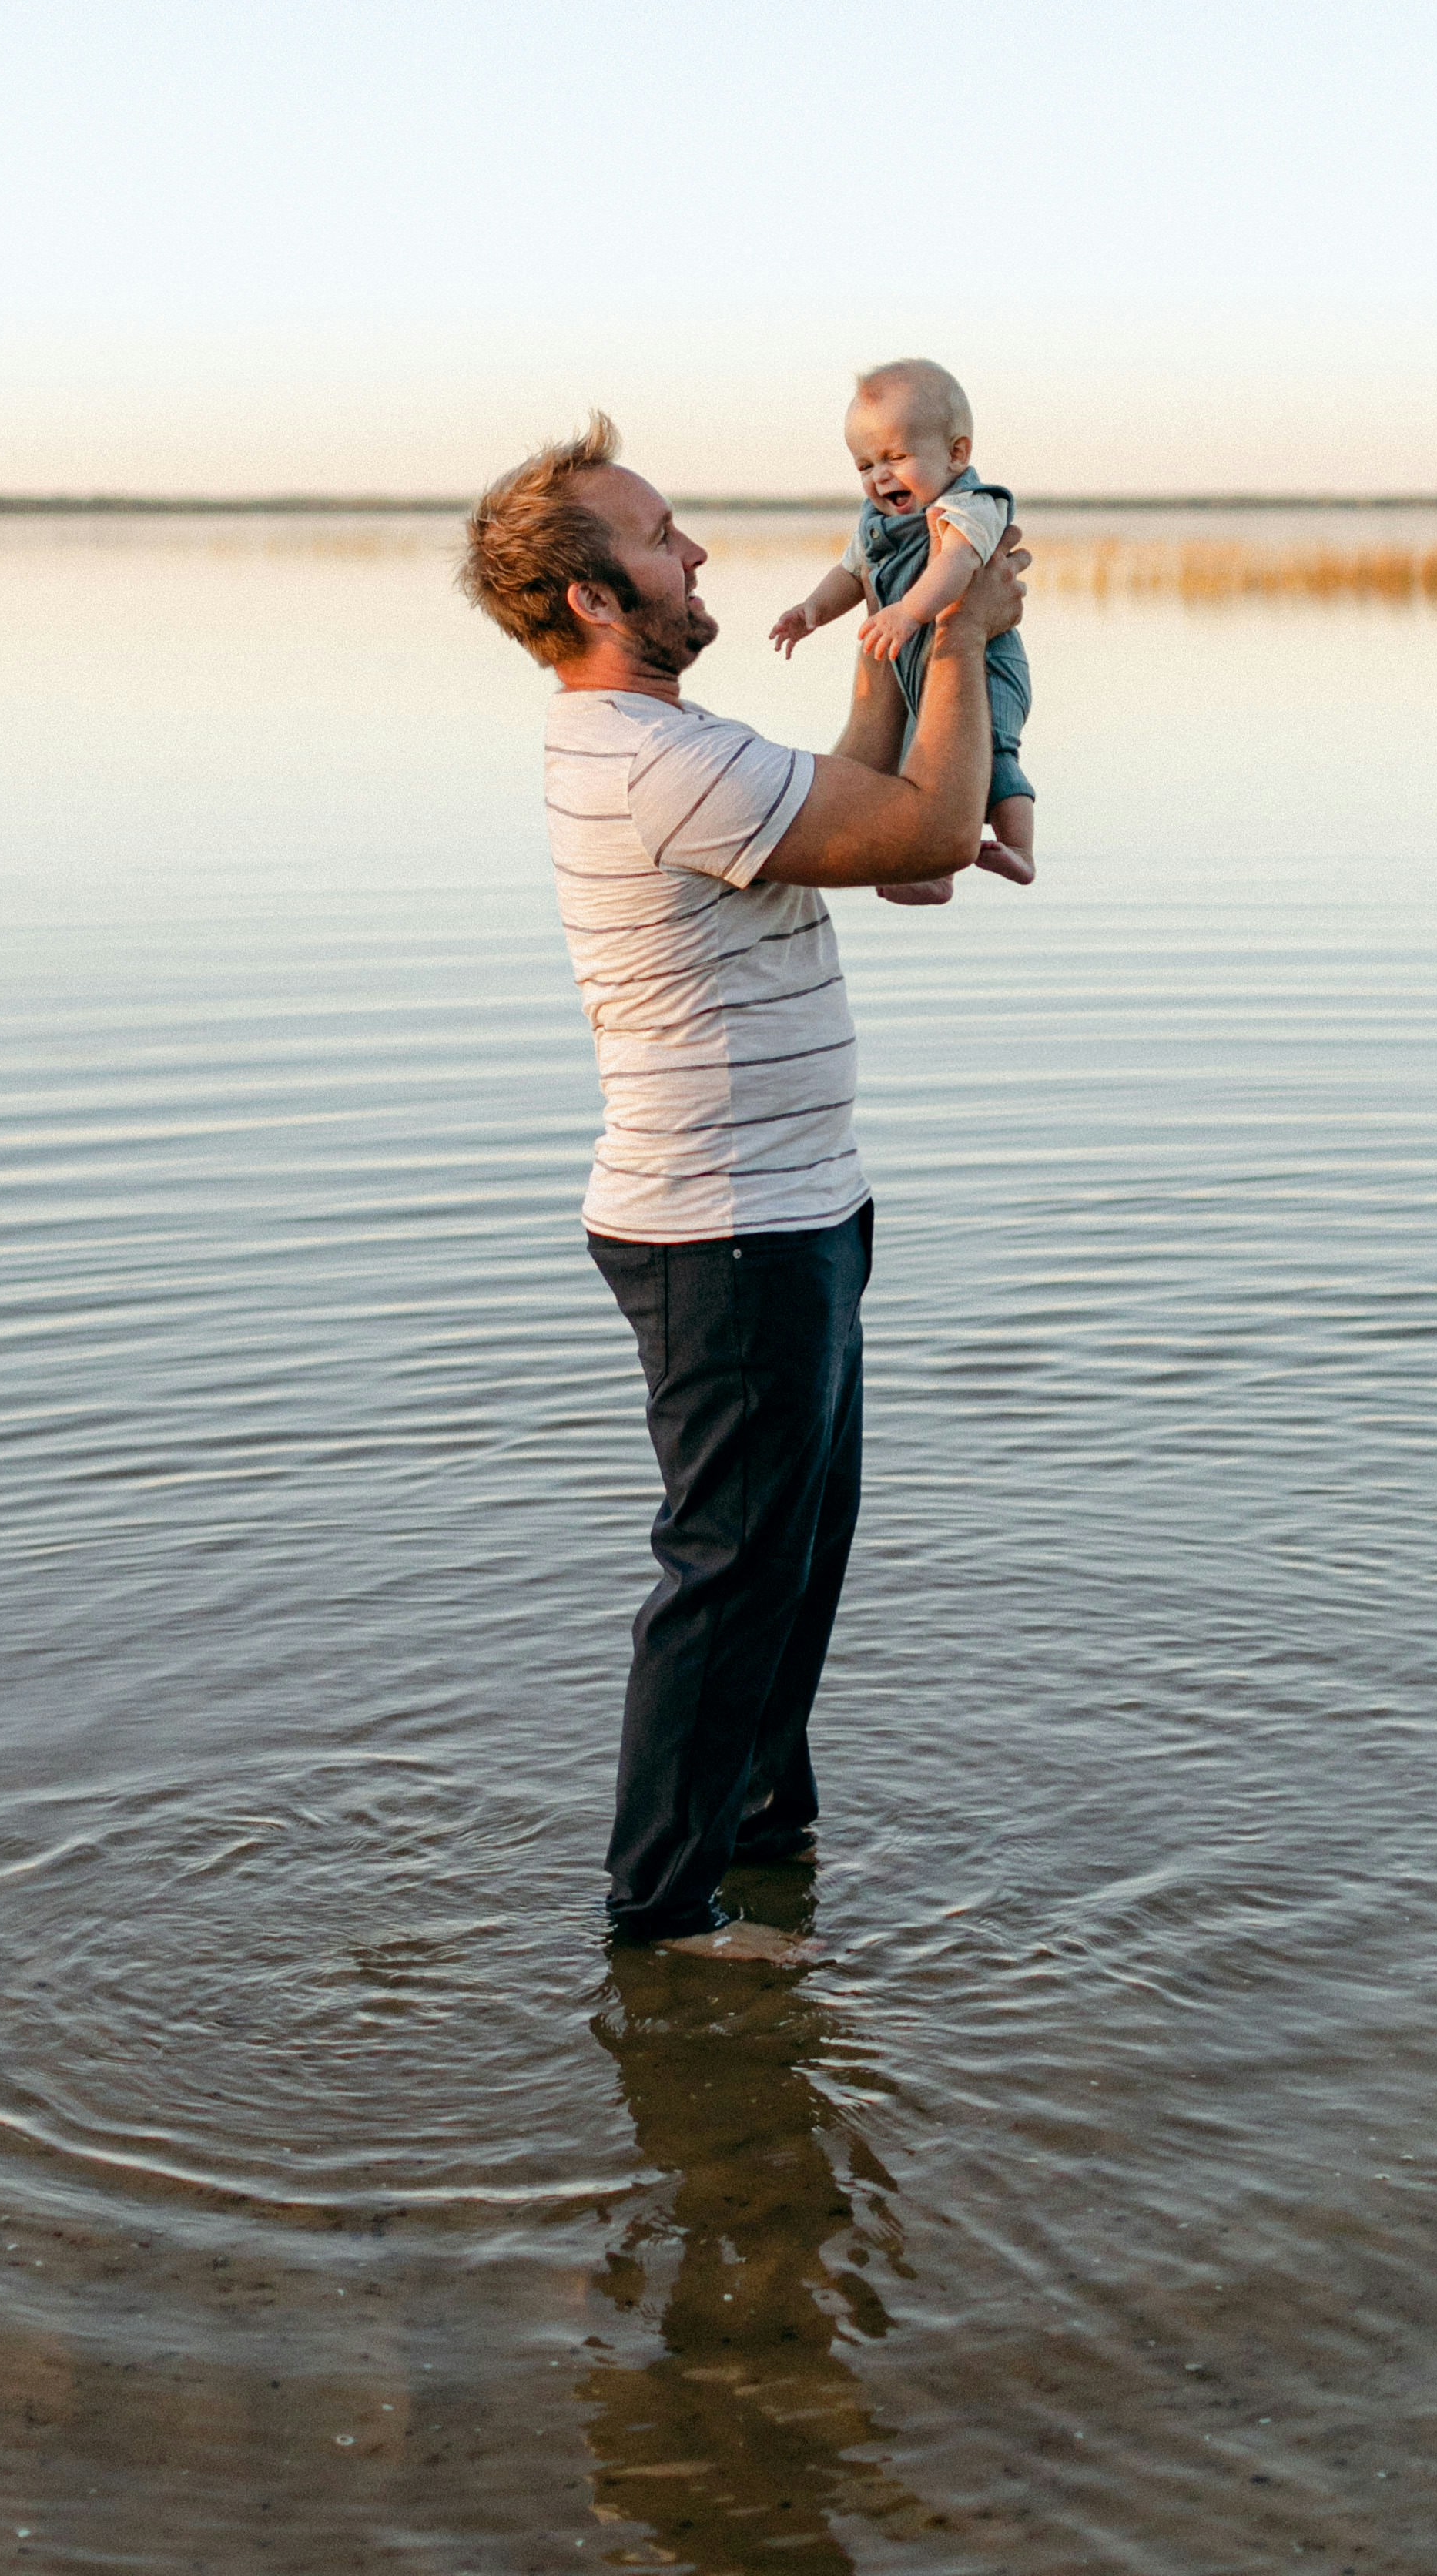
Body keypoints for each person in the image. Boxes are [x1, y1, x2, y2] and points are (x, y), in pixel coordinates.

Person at [459, 414, 1031, 1966]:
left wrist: (886, 657)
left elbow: (862, 826)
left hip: (796, 1208)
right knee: (728, 1571)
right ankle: (666, 1916)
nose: (697, 551)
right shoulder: (650, 756)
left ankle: (765, 1831)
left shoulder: (668, 748)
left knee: (799, 1552)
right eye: (658, 537)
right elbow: (917, 825)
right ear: (592, 598)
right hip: (725, 1226)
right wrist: (962, 644)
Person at [768, 357, 1035, 900]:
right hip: (925, 666)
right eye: (865, 465)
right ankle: (931, 873)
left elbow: (956, 566)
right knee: (923, 763)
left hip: (987, 662)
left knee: (995, 750)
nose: (879, 477)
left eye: (896, 457)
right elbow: (851, 572)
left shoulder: (970, 506)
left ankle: (1022, 850)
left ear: (956, 454)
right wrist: (813, 610)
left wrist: (909, 612)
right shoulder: (877, 523)